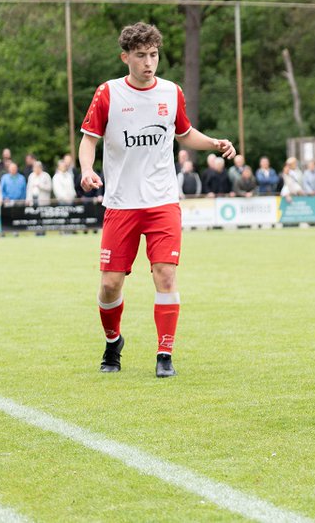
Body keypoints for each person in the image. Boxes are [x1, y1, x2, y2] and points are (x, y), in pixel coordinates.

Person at [79, 22, 236, 377]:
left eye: (153, 55)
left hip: (163, 201)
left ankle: (164, 354)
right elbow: (89, 138)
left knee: (165, 275)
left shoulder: (171, 92)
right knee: (109, 285)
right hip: (121, 203)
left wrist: (214, 143)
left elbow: (185, 133)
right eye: (140, 55)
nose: (149, 62)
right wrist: (87, 169)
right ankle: (113, 341)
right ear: (125, 58)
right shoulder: (108, 93)